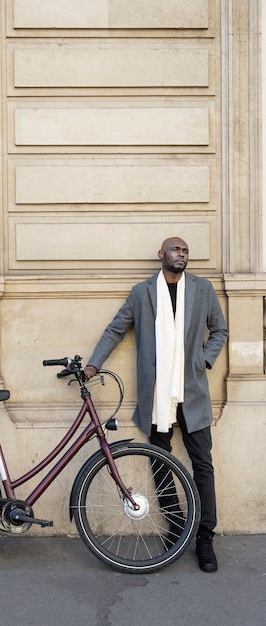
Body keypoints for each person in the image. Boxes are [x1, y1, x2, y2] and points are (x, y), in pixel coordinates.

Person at [84, 237, 228, 573]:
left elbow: (219, 330)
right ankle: (177, 529)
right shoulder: (142, 293)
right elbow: (115, 329)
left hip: (191, 392)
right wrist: (93, 364)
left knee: (202, 465)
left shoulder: (203, 290)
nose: (182, 254)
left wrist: (203, 362)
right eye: (176, 250)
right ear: (161, 255)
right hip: (156, 396)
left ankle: (205, 535)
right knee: (160, 462)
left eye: (186, 251)